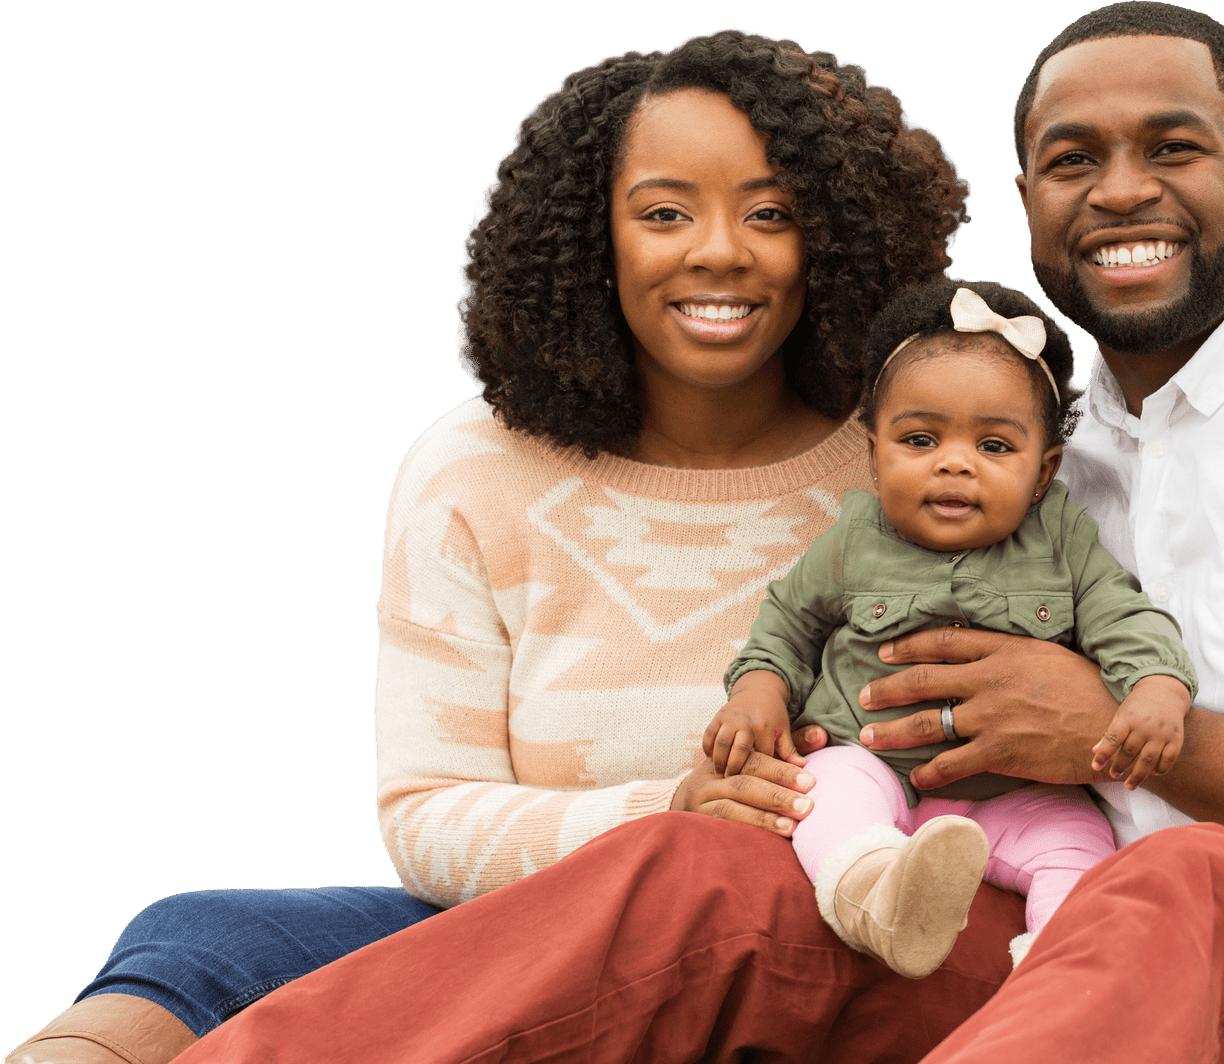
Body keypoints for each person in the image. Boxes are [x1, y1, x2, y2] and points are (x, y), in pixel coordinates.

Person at [119, 4, 1224, 1063]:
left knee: (1178, 888)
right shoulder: (1029, 446)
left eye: (1172, 147)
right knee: (707, 884)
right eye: (1071, 161)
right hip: (1082, 967)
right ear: (1025, 204)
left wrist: (1127, 741)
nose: (1119, 189)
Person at [6, 29, 988, 1064]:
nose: (718, 251)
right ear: (589, 238)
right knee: (209, 935)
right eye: (663, 213)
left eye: (771, 213)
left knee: (691, 914)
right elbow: (426, 814)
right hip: (546, 922)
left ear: (834, 238)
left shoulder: (915, 458)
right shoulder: (468, 468)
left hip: (816, 931)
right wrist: (670, 811)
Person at [709, 279, 1196, 978]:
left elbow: (1121, 614)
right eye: (919, 438)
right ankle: (876, 893)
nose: (955, 461)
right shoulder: (852, 539)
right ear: (875, 455)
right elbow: (786, 623)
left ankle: (1064, 968)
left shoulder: (1060, 538)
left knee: (1077, 846)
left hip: (1013, 789)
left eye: (994, 445)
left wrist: (1155, 688)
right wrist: (756, 691)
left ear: (1042, 472)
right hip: (868, 757)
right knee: (821, 793)